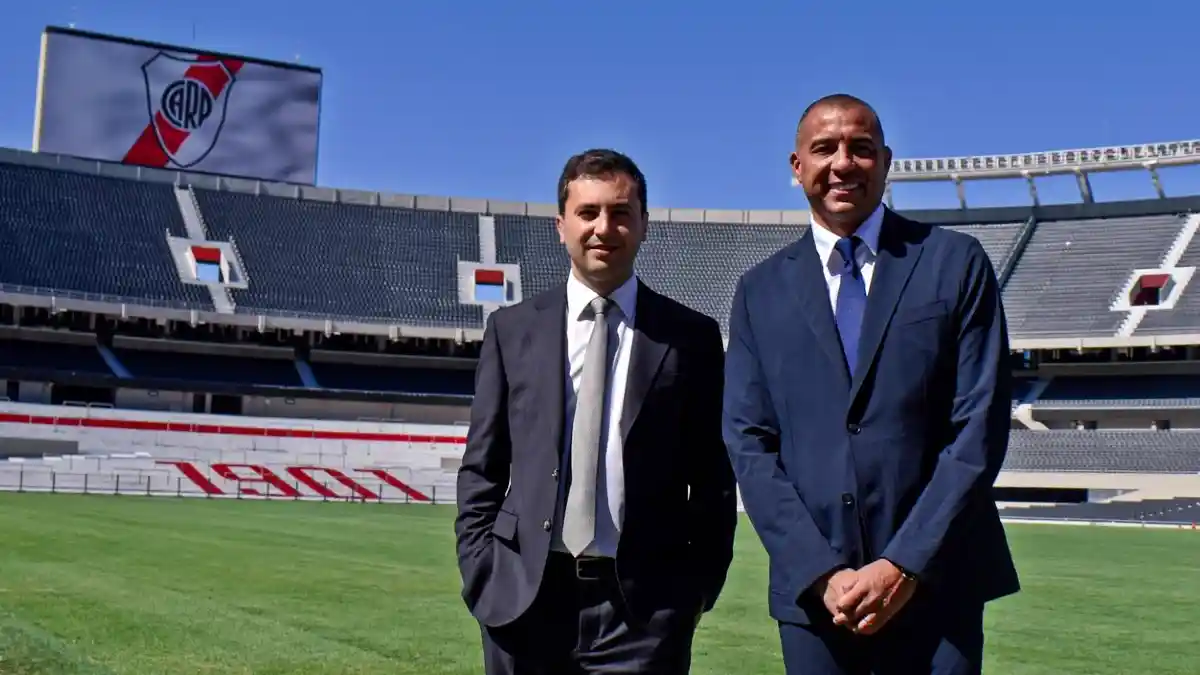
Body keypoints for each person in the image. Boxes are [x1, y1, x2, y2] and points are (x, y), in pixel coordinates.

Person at [722, 94, 1019, 675]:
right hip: (817, 602)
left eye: (861, 149)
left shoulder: (954, 263)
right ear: (796, 166)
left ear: (885, 161)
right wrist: (819, 571)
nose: (843, 163)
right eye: (824, 148)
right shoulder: (758, 293)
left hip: (940, 586)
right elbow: (748, 443)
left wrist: (903, 565)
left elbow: (978, 427)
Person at [455, 148, 738, 674]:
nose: (603, 227)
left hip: (644, 612)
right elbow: (482, 467)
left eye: (620, 212)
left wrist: (694, 593)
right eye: (588, 213)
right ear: (561, 225)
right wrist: (481, 567)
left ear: (644, 225)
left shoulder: (690, 338)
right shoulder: (512, 330)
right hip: (525, 600)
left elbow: (713, 479)